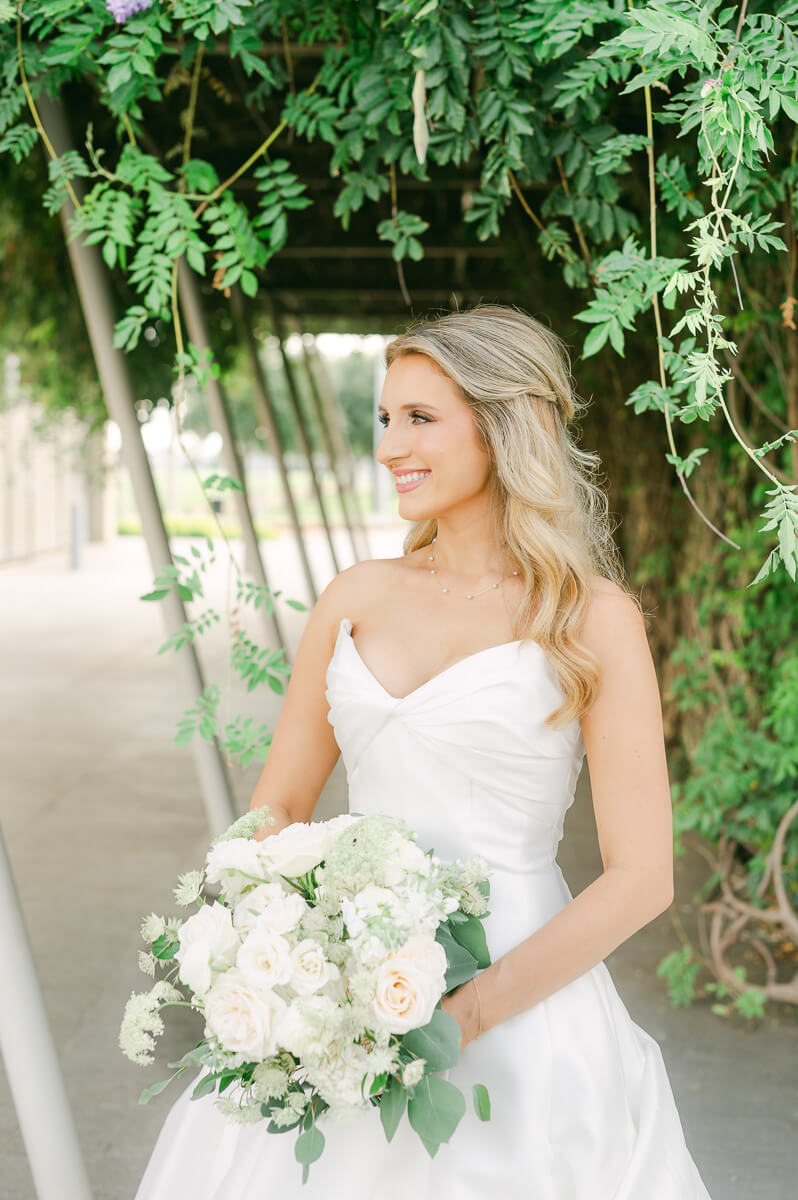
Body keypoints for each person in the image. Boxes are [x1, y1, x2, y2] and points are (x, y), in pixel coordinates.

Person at [135, 303, 713, 1198]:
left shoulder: (592, 620)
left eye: (419, 418)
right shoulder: (355, 597)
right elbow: (278, 807)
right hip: (341, 991)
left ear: (502, 427)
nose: (388, 445)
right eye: (383, 418)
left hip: (522, 997)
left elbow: (644, 877)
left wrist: (470, 1011)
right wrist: (261, 941)